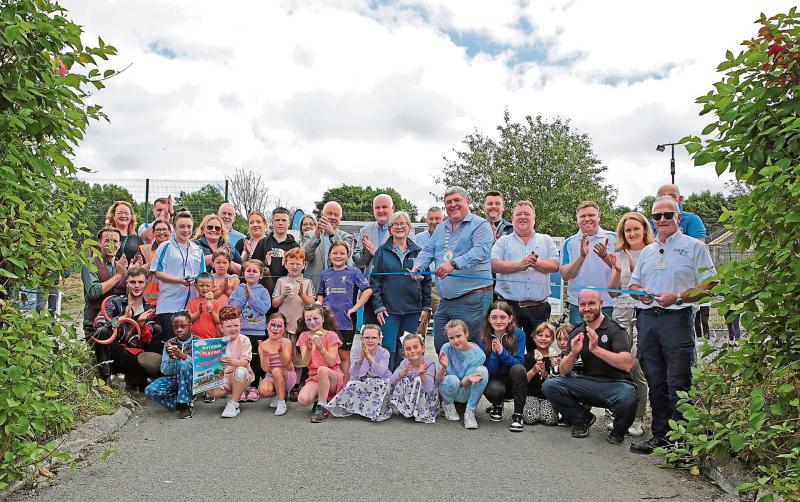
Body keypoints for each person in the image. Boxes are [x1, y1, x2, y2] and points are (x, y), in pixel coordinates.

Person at [628, 196, 717, 454]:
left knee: (678, 381)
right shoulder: (647, 251)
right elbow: (633, 284)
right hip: (647, 320)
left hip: (677, 319)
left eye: (669, 215)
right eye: (657, 216)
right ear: (653, 220)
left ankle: (680, 443)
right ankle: (660, 437)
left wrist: (678, 296)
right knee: (655, 380)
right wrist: (638, 293)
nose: (663, 220)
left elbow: (711, 285)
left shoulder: (694, 247)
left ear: (679, 217)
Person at [541, 290, 638, 445]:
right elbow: (564, 371)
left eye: (591, 303)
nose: (586, 308)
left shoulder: (615, 329)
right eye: (582, 304)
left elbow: (627, 364)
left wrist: (596, 350)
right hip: (588, 383)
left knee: (629, 397)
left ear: (601, 304)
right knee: (550, 386)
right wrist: (573, 353)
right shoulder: (578, 331)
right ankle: (582, 419)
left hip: (616, 385)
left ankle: (618, 431)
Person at [412, 186, 494, 353]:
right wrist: (418, 266)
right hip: (446, 300)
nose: (453, 205)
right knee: (441, 346)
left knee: (471, 348)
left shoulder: (481, 225)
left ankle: (473, 379)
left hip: (474, 298)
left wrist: (453, 264)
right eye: (448, 202)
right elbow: (428, 250)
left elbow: (480, 251)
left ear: (468, 201)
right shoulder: (441, 228)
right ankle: (448, 379)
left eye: (457, 200)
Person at [607, 211, 654, 437]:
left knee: (634, 364)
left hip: (644, 312)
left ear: (644, 229)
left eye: (636, 228)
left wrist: (637, 272)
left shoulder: (654, 252)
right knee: (617, 363)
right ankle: (619, 413)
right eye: (628, 230)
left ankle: (638, 417)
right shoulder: (618, 254)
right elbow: (611, 291)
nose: (632, 233)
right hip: (621, 312)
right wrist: (616, 269)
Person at [492, 200, 560, 352]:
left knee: (537, 352)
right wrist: (520, 265)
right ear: (513, 218)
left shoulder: (546, 240)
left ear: (534, 218)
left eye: (527, 214)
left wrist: (535, 263)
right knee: (507, 350)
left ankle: (536, 376)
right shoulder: (503, 241)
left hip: (538, 308)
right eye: (519, 214)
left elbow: (555, 265)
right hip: (509, 308)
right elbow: (494, 264)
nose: (523, 217)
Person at [370, 210, 432, 371]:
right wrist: (378, 306)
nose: (399, 227)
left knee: (408, 350)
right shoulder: (382, 252)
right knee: (388, 347)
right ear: (390, 228)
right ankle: (387, 383)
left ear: (409, 227)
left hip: (413, 310)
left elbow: (427, 281)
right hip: (389, 311)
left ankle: (404, 384)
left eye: (403, 223)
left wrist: (426, 306)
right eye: (395, 224)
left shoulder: (418, 252)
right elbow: (375, 281)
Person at [90, 267, 159, 389]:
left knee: (158, 331)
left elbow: (147, 341)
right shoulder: (114, 302)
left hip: (136, 357)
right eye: (133, 282)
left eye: (140, 282)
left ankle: (140, 379)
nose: (137, 286)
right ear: (127, 283)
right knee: (102, 332)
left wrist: (142, 324)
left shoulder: (149, 309)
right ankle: (105, 381)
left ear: (146, 284)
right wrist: (122, 318)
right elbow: (98, 323)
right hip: (116, 354)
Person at [317, 241, 373, 383]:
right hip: (328, 322)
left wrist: (355, 307)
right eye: (335, 253)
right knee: (327, 354)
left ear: (347, 255)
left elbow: (368, 290)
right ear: (329, 255)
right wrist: (320, 308)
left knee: (344, 355)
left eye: (342, 253)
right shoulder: (325, 274)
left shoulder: (354, 272)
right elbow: (321, 293)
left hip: (346, 322)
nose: (338, 256)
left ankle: (344, 388)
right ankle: (329, 387)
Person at [151, 209, 206, 349]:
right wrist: (180, 280)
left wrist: (197, 281)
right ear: (174, 228)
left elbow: (202, 276)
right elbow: (156, 271)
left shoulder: (197, 249)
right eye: (181, 226)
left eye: (189, 226)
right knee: (171, 345)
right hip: (169, 305)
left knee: (187, 348)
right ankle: (167, 371)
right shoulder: (166, 246)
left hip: (190, 307)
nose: (186, 230)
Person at [560, 201, 617, 326]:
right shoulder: (569, 242)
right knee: (579, 343)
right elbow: (565, 275)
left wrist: (604, 256)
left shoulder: (614, 238)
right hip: (578, 305)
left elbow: (620, 269)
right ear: (577, 219)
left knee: (607, 344)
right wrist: (581, 256)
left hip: (607, 303)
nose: (587, 219)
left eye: (591, 215)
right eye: (582, 216)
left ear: (599, 216)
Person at [325, 324, 393, 421]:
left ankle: (376, 411)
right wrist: (361, 359)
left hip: (381, 381)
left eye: (374, 338)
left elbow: (380, 372)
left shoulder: (384, 352)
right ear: (361, 339)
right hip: (364, 380)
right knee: (352, 384)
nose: (370, 340)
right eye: (366, 338)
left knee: (381, 385)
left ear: (379, 339)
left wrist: (368, 357)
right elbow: (353, 373)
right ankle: (357, 408)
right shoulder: (356, 351)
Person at [478, 301, 527, 432]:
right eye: (494, 317)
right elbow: (490, 372)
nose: (498, 321)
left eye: (502, 317)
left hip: (512, 380)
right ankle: (497, 404)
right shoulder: (483, 338)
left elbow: (519, 363)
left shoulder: (519, 334)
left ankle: (518, 415)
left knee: (519, 370)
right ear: (489, 319)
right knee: (493, 387)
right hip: (495, 380)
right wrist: (494, 354)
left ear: (510, 318)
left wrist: (502, 353)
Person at [272, 247, 315, 391]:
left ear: (303, 265)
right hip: (283, 325)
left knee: (298, 358)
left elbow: (311, 303)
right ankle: (283, 383)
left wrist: (302, 295)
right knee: (283, 356)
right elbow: (274, 303)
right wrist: (283, 295)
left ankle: (296, 385)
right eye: (291, 263)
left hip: (300, 326)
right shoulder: (281, 282)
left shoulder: (307, 282)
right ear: (285, 264)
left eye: (298, 263)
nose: (294, 266)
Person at [228, 259, 271, 402]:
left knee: (255, 359)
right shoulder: (238, 289)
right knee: (241, 359)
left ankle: (253, 386)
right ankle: (240, 387)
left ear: (260, 275)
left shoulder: (263, 291)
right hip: (240, 331)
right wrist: (244, 297)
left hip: (257, 331)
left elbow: (264, 308)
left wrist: (251, 297)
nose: (251, 273)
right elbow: (232, 307)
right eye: (248, 270)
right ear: (243, 273)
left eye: (255, 271)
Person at [295, 304, 345, 423]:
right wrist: (307, 348)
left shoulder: (331, 335)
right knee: (302, 400)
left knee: (322, 369)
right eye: (308, 319)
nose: (312, 322)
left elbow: (332, 361)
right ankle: (323, 398)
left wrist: (321, 349)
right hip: (315, 377)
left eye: (315, 318)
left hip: (333, 376)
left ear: (322, 318)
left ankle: (322, 406)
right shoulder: (304, 336)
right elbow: (306, 363)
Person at [436, 319, 489, 430]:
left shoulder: (479, 354)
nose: (455, 341)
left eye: (459, 336)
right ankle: (447, 405)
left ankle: (470, 411)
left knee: (483, 371)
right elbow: (438, 379)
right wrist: (444, 367)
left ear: (467, 333)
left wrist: (469, 378)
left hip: (465, 389)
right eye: (451, 338)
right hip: (449, 388)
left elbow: (463, 384)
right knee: (452, 378)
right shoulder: (446, 348)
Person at [144, 311, 198, 418]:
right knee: (150, 390)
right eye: (176, 327)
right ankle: (179, 403)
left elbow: (201, 367)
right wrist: (171, 358)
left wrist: (183, 356)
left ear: (190, 326)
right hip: (175, 379)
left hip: (193, 381)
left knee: (183, 364)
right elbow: (165, 371)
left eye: (183, 326)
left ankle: (184, 405)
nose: (179, 329)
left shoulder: (198, 342)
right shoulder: (169, 344)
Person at [205, 306, 255, 418]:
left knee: (240, 371)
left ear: (240, 325)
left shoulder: (244, 340)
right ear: (221, 328)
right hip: (224, 376)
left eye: (236, 325)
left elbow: (245, 362)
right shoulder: (218, 343)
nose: (233, 329)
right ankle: (233, 395)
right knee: (210, 391)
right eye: (229, 326)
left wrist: (231, 361)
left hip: (242, 376)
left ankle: (234, 404)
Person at [353, 194, 394, 324]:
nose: (380, 210)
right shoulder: (365, 230)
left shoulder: (402, 228)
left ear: (392, 208)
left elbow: (400, 259)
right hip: (371, 290)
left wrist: (376, 252)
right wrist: (367, 252)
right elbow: (358, 261)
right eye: (377, 207)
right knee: (370, 330)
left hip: (393, 289)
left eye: (384, 207)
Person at [81, 227, 128, 337]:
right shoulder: (90, 264)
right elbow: (93, 292)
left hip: (118, 322)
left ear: (120, 244)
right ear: (99, 243)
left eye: (115, 241)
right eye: (107, 240)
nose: (111, 244)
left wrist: (131, 274)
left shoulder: (121, 266)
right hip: (94, 323)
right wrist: (118, 276)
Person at [389, 332, 439, 423]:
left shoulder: (429, 363)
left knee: (418, 380)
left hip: (426, 398)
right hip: (411, 396)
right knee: (403, 379)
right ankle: (407, 409)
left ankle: (421, 412)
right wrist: (403, 372)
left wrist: (422, 375)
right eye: (408, 349)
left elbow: (429, 389)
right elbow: (391, 381)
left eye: (415, 347)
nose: (412, 351)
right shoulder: (405, 362)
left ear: (422, 348)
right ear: (404, 352)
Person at [303, 201, 355, 289]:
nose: (332, 217)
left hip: (339, 288)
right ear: (322, 215)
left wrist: (332, 234)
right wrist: (316, 236)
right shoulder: (309, 235)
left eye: (336, 215)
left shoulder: (347, 237)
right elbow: (306, 256)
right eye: (329, 213)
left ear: (340, 218)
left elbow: (347, 254)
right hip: (313, 288)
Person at [251, 207, 300, 295]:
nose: (280, 223)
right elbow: (252, 267)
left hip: (287, 292)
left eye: (284, 220)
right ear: (272, 222)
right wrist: (264, 263)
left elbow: (300, 272)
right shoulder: (263, 243)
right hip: (264, 291)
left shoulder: (295, 246)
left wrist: (287, 265)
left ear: (289, 223)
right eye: (277, 220)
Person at [257, 313, 295, 416]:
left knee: (276, 370)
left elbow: (286, 364)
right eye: (273, 325)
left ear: (284, 329)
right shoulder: (262, 345)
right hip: (270, 375)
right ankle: (279, 393)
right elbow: (265, 368)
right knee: (263, 391)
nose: (275, 328)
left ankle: (281, 403)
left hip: (287, 374)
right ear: (267, 326)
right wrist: (265, 354)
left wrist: (281, 351)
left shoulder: (286, 342)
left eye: (279, 326)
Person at [523, 322, 560, 426]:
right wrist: (533, 371)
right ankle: (531, 410)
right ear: (534, 338)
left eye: (547, 336)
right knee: (530, 418)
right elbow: (523, 381)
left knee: (549, 420)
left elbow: (558, 382)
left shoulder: (555, 359)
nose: (543, 338)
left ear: (552, 339)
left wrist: (546, 374)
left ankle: (545, 411)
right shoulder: (528, 357)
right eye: (540, 335)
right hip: (531, 394)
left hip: (548, 396)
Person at [413, 206, 443, 329]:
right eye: (431, 219)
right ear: (426, 221)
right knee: (418, 327)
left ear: (443, 220)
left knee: (443, 325)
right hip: (421, 287)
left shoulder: (449, 238)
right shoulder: (417, 239)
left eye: (437, 218)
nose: (434, 221)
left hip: (439, 288)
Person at [140, 219, 172, 308]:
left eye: (164, 229)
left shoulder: (178, 250)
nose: (161, 232)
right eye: (158, 230)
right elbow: (136, 273)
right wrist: (155, 261)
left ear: (170, 231)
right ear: (153, 233)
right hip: (148, 301)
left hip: (171, 300)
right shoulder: (143, 249)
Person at [186, 272, 224, 339]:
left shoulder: (216, 302)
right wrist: (198, 312)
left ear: (213, 286)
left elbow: (219, 321)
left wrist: (212, 312)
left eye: (207, 286)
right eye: (201, 285)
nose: (204, 288)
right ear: (196, 286)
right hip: (194, 339)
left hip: (212, 339)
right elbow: (188, 319)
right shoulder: (191, 302)